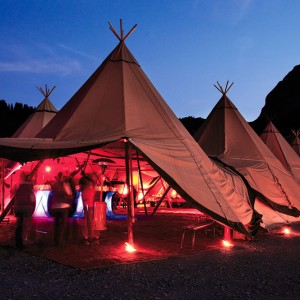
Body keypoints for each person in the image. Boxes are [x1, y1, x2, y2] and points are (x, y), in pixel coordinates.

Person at [49, 172, 72, 248]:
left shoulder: (54, 185)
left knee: (57, 224)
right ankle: (60, 241)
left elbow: (52, 194)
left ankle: (55, 240)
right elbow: (69, 194)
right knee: (63, 225)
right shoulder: (65, 184)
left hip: (55, 206)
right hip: (64, 206)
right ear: (62, 177)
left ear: (57, 177)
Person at [14, 171, 35, 250]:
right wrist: (32, 208)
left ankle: (18, 241)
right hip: (27, 208)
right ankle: (25, 239)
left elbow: (16, 198)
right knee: (26, 225)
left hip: (19, 208)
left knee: (19, 225)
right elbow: (32, 199)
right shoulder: (29, 189)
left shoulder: (18, 188)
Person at [79, 171, 99, 245]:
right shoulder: (89, 185)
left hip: (88, 204)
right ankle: (89, 237)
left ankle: (88, 237)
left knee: (88, 221)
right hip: (88, 205)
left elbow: (83, 192)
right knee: (89, 221)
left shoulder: (87, 185)